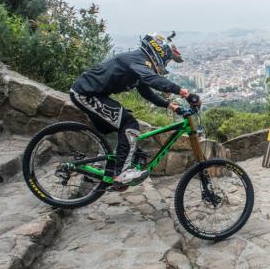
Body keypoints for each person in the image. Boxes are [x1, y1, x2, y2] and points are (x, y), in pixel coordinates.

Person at [70, 33, 187, 186]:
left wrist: (169, 105)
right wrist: (181, 90)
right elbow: (152, 80)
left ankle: (97, 168)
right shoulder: (139, 61)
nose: (166, 63)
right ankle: (122, 173)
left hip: (91, 92)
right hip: (86, 93)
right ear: (159, 51)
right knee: (129, 124)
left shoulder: (138, 61)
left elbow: (146, 92)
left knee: (113, 129)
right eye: (167, 59)